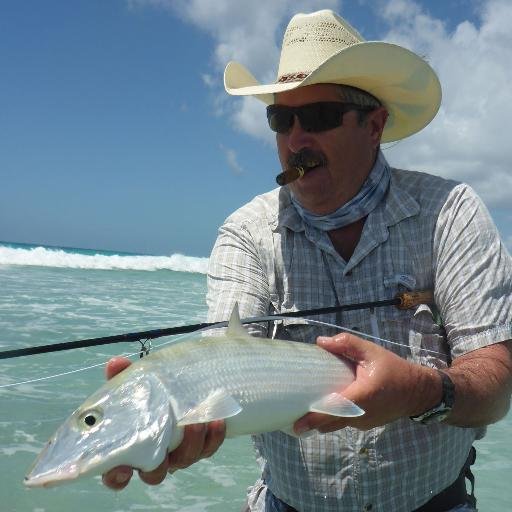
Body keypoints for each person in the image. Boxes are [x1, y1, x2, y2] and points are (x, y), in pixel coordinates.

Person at [102, 9, 512, 512]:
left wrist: (418, 391)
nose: (296, 139)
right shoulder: (247, 233)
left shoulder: (450, 213)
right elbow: (222, 359)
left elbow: (495, 386)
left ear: (375, 125)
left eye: (318, 117)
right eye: (281, 119)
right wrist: (180, 426)